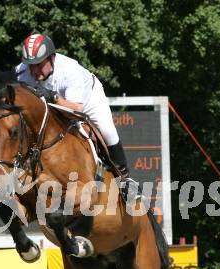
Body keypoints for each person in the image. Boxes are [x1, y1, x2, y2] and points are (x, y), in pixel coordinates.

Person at [15, 32, 140, 198]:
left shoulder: (69, 70)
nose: (34, 70)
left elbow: (76, 111)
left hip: (87, 100)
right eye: (31, 65)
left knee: (107, 130)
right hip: (53, 104)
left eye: (38, 64)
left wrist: (52, 96)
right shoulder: (21, 72)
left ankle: (125, 180)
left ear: (52, 58)